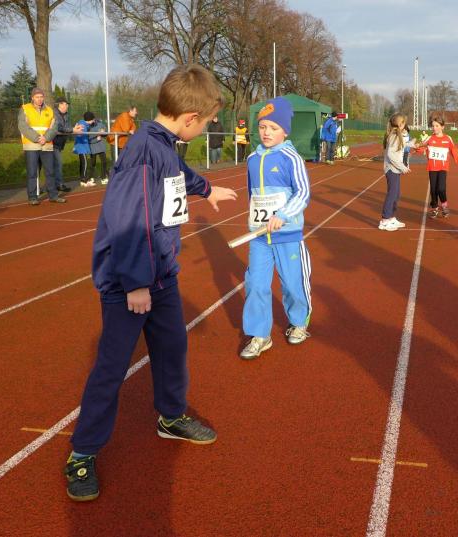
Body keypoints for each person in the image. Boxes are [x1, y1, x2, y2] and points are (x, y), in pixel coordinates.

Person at [63, 64, 237, 502]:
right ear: (190, 118)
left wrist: (206, 189)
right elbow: (130, 221)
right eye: (207, 121)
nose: (207, 127)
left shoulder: (163, 145)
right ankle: (82, 452)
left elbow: (178, 175)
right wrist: (136, 283)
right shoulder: (143, 151)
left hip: (160, 276)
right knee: (111, 366)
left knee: (172, 347)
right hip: (132, 282)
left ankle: (171, 416)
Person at [239, 96, 312, 360]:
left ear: (285, 131)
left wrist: (283, 215)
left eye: (273, 127)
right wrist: (254, 220)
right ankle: (260, 335)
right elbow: (253, 195)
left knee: (292, 284)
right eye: (262, 127)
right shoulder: (252, 159)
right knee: (256, 285)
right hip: (259, 237)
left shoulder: (291, 158)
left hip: (287, 235)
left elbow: (303, 193)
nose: (266, 132)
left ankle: (299, 322)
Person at [18, 87, 65, 205]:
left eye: (41, 97)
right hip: (31, 145)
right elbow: (23, 126)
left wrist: (46, 138)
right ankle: (32, 197)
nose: (39, 99)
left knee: (50, 171)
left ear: (43, 98)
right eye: (37, 97)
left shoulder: (50, 110)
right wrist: (37, 138)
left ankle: (53, 195)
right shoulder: (25, 108)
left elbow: (54, 127)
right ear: (32, 98)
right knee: (32, 173)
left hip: (47, 145)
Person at [419, 114, 458, 218]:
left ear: (442, 127)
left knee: (441, 189)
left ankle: (444, 206)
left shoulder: (448, 139)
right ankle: (434, 208)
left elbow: (454, 152)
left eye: (437, 126)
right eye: (433, 126)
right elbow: (421, 147)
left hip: (443, 168)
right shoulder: (429, 138)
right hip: (432, 168)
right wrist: (416, 147)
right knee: (433, 190)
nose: (434, 128)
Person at [379, 113, 410, 231]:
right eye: (404, 123)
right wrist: (403, 167)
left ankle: (391, 217)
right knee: (392, 194)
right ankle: (384, 220)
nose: (405, 125)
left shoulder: (397, 135)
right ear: (400, 124)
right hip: (391, 169)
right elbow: (391, 155)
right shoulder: (394, 136)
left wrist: (413, 144)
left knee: (396, 194)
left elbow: (401, 145)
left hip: (395, 169)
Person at [52, 96, 83, 193]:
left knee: (55, 165)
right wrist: (73, 130)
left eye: (67, 104)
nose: (67, 106)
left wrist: (74, 129)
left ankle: (54, 185)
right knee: (57, 164)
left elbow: (67, 127)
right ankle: (59, 185)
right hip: (52, 142)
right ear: (59, 105)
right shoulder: (54, 114)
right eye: (65, 104)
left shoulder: (66, 115)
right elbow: (59, 127)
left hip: (59, 143)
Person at [73, 112, 94, 187]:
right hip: (81, 146)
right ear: (89, 119)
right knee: (85, 163)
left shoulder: (85, 125)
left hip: (82, 146)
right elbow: (79, 134)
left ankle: (82, 179)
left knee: (83, 163)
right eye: (92, 119)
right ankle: (84, 180)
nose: (93, 121)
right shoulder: (82, 125)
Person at [87, 115, 109, 184]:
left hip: (101, 147)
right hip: (93, 147)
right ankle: (91, 178)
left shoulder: (100, 124)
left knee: (104, 162)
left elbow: (106, 133)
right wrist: (96, 138)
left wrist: (103, 132)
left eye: (93, 119)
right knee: (92, 163)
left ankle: (103, 177)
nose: (93, 120)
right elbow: (88, 139)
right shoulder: (87, 127)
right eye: (91, 119)